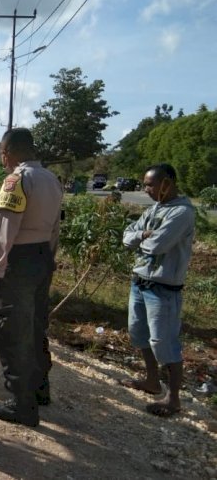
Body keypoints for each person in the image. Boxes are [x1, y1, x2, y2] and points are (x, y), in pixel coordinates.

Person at [0, 128, 63, 427]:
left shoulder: (16, 180)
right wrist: (47, 258)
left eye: (2, 154)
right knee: (36, 325)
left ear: (8, 153)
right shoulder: (51, 180)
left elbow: (3, 231)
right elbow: (55, 228)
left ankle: (21, 404)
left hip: (18, 261)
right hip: (42, 258)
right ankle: (40, 389)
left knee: (11, 329)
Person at [119, 163, 195, 417]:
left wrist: (141, 238)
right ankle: (152, 381)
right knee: (138, 333)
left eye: (151, 184)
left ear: (167, 183)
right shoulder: (155, 209)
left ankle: (173, 398)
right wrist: (143, 235)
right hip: (140, 281)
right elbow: (126, 236)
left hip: (163, 288)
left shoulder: (182, 213)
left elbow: (157, 246)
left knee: (164, 341)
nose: (146, 189)